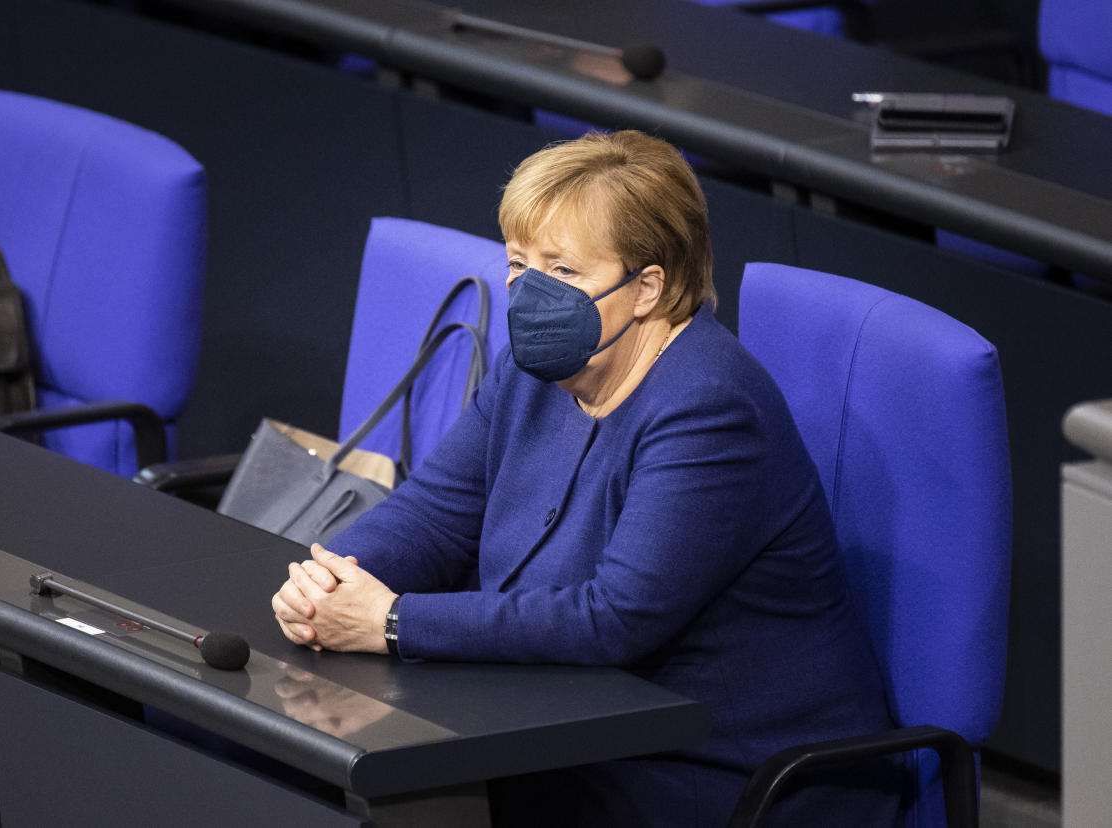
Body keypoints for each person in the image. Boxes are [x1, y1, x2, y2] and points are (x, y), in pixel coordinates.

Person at [271, 130, 899, 826]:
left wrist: (390, 622)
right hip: (564, 724)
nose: (530, 292)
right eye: (518, 262)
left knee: (410, 790)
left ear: (648, 288)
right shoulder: (533, 371)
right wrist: (335, 581)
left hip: (717, 769)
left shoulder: (711, 407)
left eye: (562, 271)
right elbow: (436, 511)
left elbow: (615, 617)